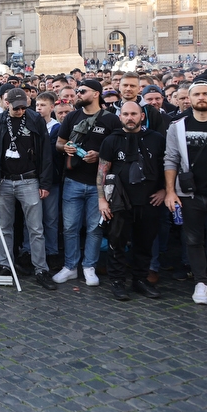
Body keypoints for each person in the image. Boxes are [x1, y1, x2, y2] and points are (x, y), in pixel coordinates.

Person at [0, 89, 57, 290]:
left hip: (29, 180)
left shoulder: (35, 119)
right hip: (3, 181)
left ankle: (41, 269)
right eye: (17, 107)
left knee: (36, 229)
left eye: (24, 106)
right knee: (4, 227)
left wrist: (44, 183)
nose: (21, 110)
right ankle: (5, 265)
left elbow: (45, 153)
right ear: (7, 103)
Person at [54, 79, 122, 286]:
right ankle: (70, 266)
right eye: (77, 90)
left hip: (97, 185)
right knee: (70, 227)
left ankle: (89, 266)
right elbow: (59, 142)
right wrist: (66, 149)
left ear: (96, 94)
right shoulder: (72, 116)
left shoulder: (111, 120)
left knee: (94, 228)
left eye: (82, 91)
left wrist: (100, 155)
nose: (78, 94)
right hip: (73, 181)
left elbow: (119, 150)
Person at [97, 102, 166, 301]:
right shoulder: (111, 140)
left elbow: (166, 167)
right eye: (125, 114)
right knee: (117, 243)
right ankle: (118, 282)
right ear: (120, 117)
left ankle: (140, 280)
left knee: (144, 243)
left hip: (149, 200)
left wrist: (164, 190)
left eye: (133, 114)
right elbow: (102, 171)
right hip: (120, 201)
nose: (130, 117)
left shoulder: (156, 139)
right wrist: (102, 200)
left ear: (141, 116)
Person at [164, 79, 207, 305]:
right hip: (189, 193)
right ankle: (201, 282)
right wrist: (170, 192)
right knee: (193, 240)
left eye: (206, 94)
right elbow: (171, 160)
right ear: (188, 99)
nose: (201, 98)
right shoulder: (177, 126)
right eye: (197, 95)